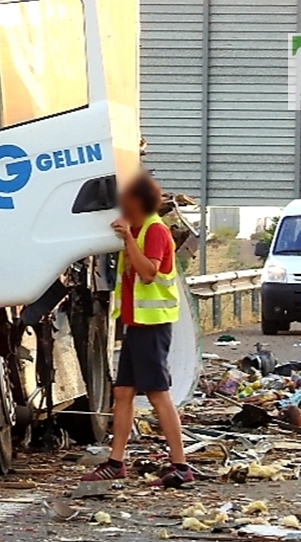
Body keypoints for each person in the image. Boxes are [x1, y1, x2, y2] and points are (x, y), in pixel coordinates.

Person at [82, 172, 193, 487]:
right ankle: (116, 461)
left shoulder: (153, 231)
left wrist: (128, 239)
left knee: (158, 394)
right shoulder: (137, 229)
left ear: (138, 203)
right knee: (123, 392)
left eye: (126, 202)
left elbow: (147, 273)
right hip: (135, 324)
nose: (121, 208)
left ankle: (181, 464)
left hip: (152, 326)